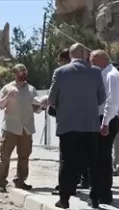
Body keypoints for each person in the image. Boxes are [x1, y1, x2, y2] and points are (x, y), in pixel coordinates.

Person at [47, 43, 106, 210]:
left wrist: (62, 105)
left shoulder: (60, 72)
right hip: (90, 125)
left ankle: (64, 199)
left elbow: (51, 99)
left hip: (67, 125)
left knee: (67, 162)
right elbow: (102, 98)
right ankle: (95, 199)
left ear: (71, 55)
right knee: (93, 163)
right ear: (84, 54)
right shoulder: (95, 72)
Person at [0, 63, 42, 193]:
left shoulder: (31, 90)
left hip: (26, 128)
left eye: (25, 72)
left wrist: (42, 105)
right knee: (5, 156)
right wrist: (7, 97)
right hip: (10, 128)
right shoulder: (7, 88)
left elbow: (36, 108)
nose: (23, 75)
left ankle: (20, 180)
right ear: (15, 73)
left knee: (24, 156)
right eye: (20, 72)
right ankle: (1, 182)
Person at [91, 49, 119, 206]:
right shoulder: (105, 74)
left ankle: (103, 194)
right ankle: (102, 193)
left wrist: (104, 123)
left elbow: (111, 101)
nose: (91, 64)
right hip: (104, 119)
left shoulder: (112, 75)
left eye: (92, 61)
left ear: (99, 59)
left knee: (102, 159)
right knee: (100, 158)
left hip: (107, 120)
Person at [49, 48, 73, 196]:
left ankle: (65, 189)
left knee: (65, 156)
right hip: (85, 122)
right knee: (77, 156)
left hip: (65, 121)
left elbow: (52, 98)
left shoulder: (60, 73)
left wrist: (54, 105)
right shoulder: (89, 72)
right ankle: (74, 185)